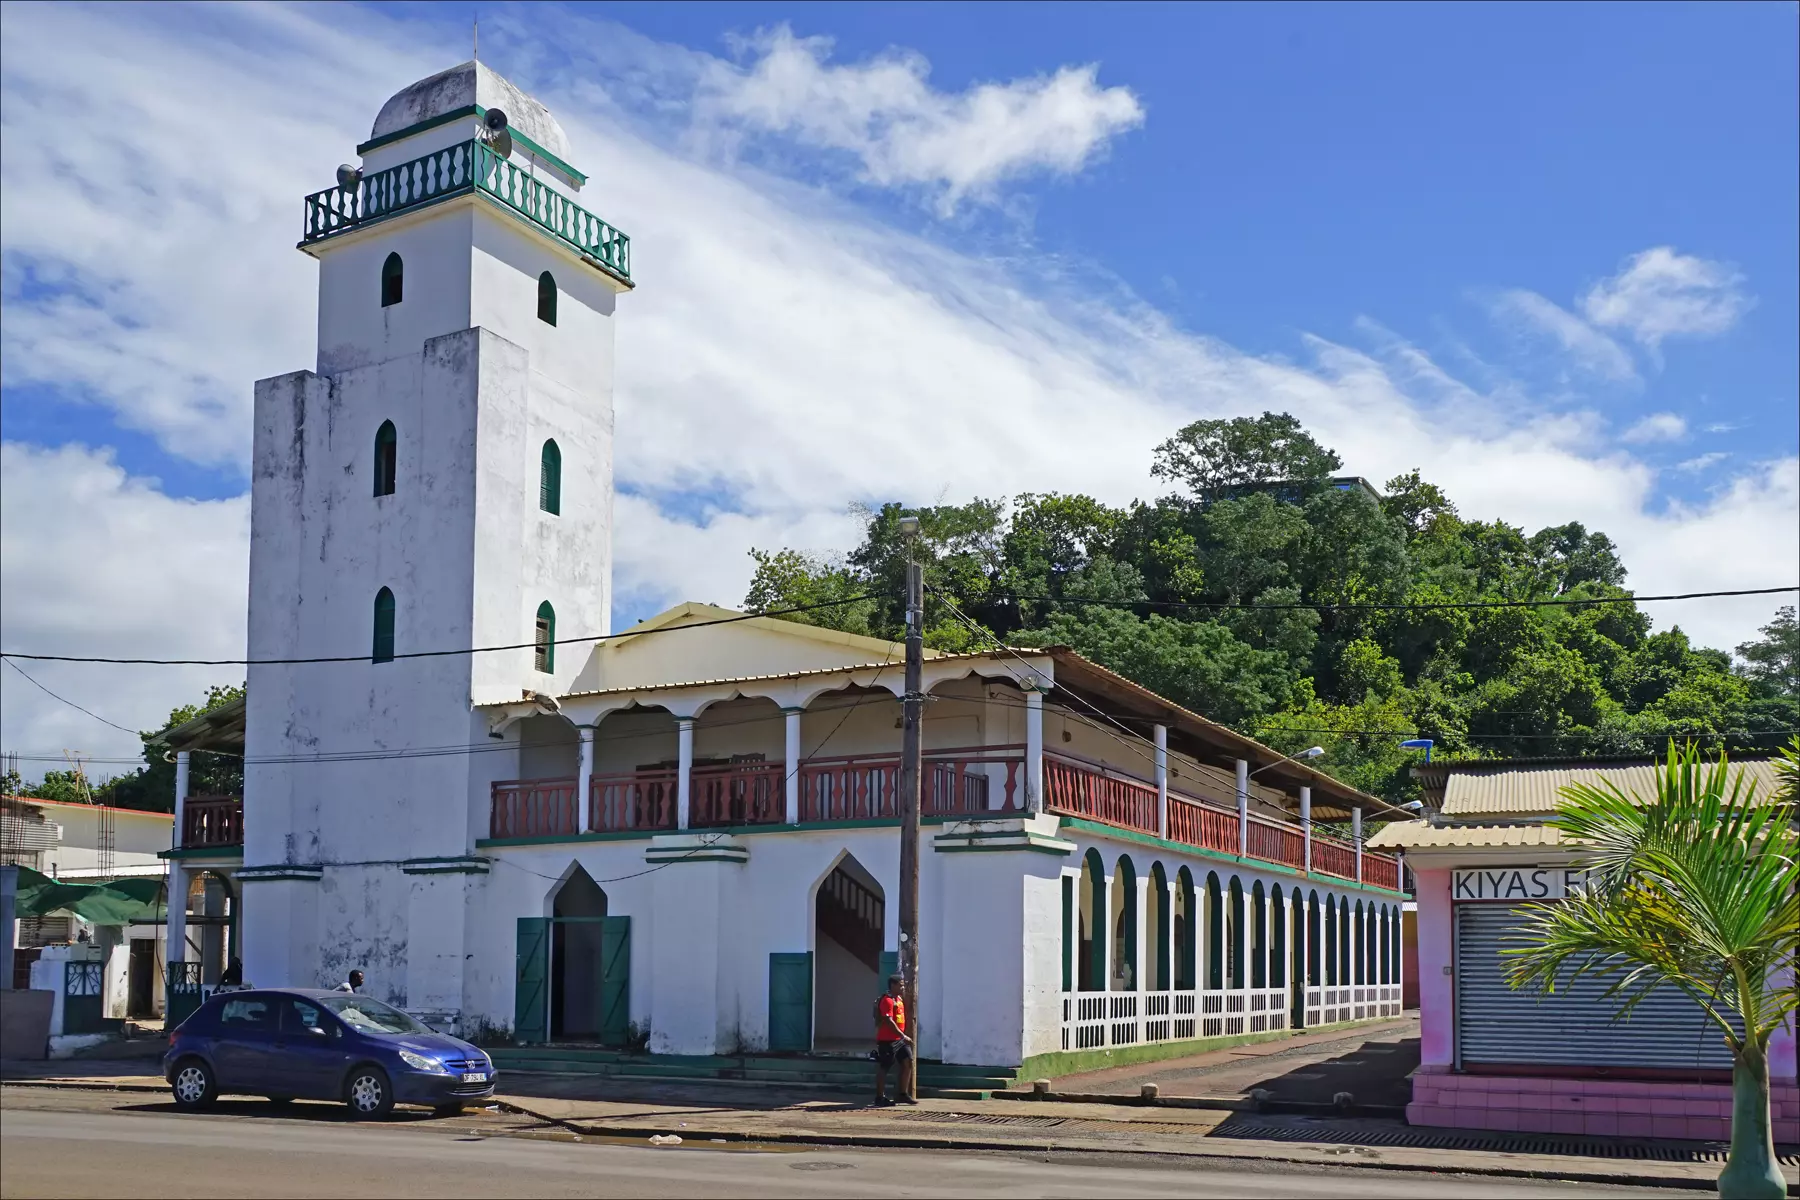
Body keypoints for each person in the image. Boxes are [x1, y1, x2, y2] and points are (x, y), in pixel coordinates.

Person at [871, 974, 915, 1106]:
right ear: (893, 985)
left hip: (899, 1040)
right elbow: (888, 1021)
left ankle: (902, 1094)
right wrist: (903, 1035)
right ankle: (879, 1097)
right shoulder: (887, 1000)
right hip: (887, 1040)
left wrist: (901, 1036)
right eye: (900, 985)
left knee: (908, 1062)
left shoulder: (899, 999)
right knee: (885, 1066)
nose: (903, 987)